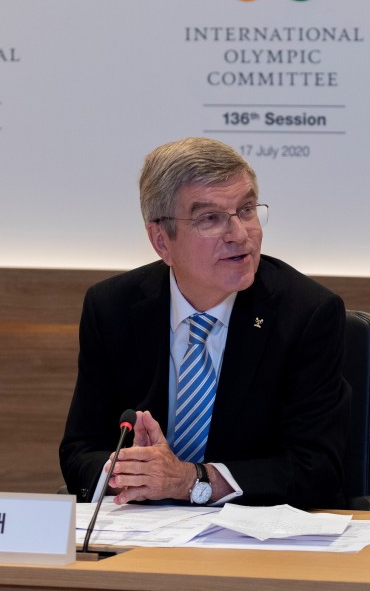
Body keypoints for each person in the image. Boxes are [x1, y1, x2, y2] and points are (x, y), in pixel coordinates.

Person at [59, 137, 350, 509]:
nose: (240, 235)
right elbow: (80, 451)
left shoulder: (306, 313)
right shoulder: (112, 307)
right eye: (210, 218)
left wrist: (191, 481)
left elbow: (317, 469)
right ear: (161, 241)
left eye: (246, 210)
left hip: (256, 539)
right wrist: (133, 470)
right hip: (143, 534)